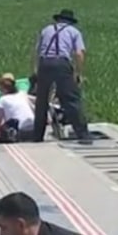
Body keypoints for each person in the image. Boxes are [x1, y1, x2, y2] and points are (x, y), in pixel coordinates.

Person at [31, 9, 92, 143]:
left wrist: (36, 69)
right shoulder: (74, 32)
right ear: (71, 21)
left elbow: (37, 50)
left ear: (58, 19)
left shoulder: (46, 29)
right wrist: (78, 73)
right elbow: (79, 53)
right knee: (71, 99)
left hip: (44, 63)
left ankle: (37, 135)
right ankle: (83, 134)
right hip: (61, 63)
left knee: (41, 101)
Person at [0, 73, 36, 141]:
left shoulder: (2, 100)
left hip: (20, 131)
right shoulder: (22, 94)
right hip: (34, 129)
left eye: (0, 89)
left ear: (4, 89)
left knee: (3, 127)